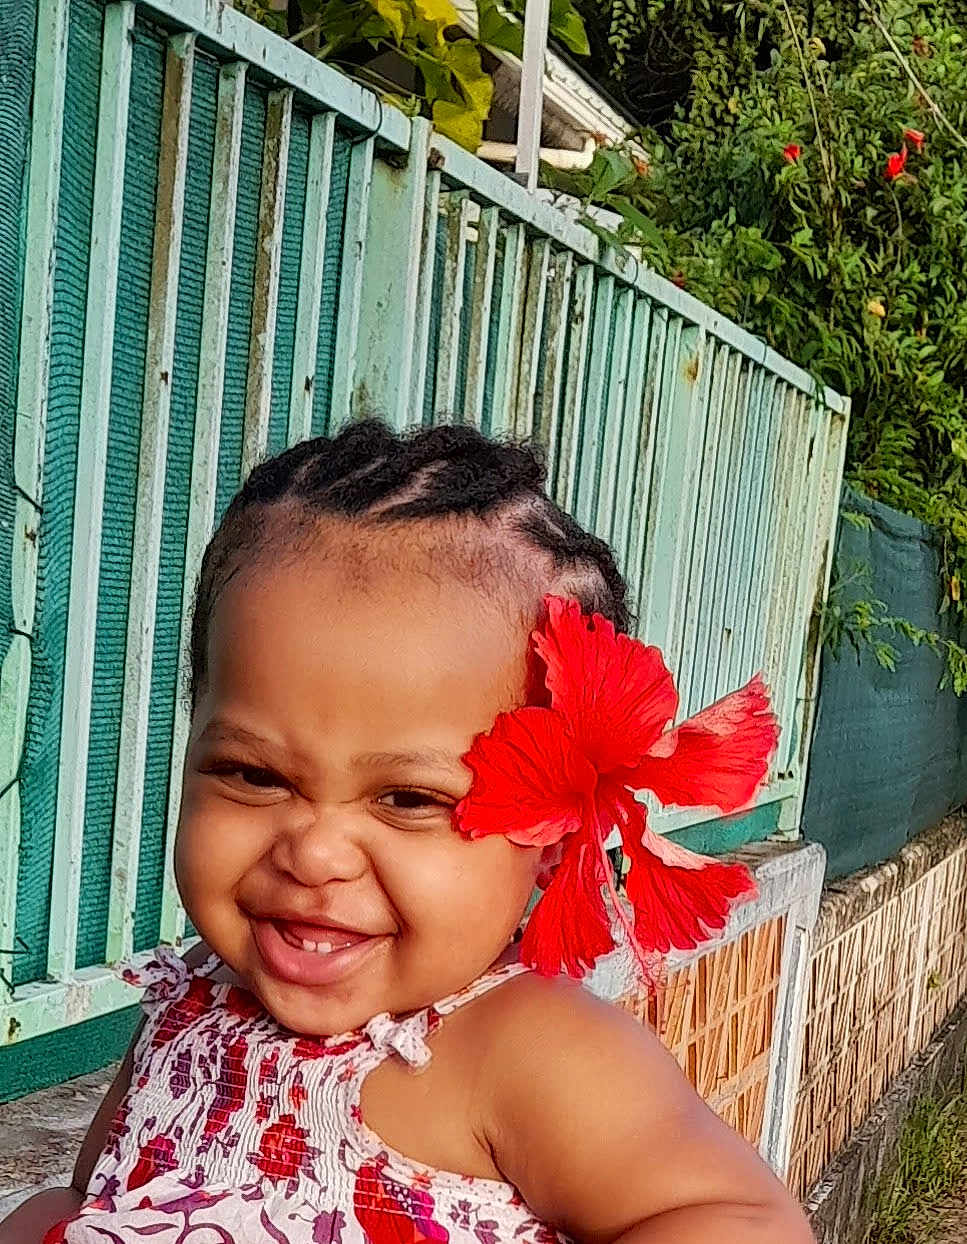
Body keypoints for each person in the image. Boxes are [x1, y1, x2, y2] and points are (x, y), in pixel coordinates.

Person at [1, 419, 815, 1243]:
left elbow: (742, 1223)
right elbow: (101, 1199)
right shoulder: (191, 1001)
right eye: (254, 775)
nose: (313, 852)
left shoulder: (525, 1050)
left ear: (555, 836)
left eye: (409, 799)